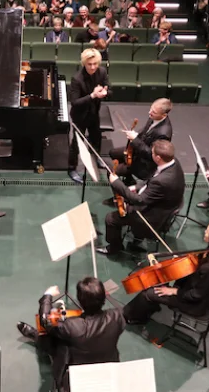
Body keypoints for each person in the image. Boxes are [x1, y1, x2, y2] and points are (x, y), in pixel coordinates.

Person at [15, 277, 126, 392]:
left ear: (80, 301)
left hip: (74, 379)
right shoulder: (117, 316)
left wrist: (47, 296)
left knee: (53, 339)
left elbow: (45, 321)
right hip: (108, 369)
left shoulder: (72, 326)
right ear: (103, 298)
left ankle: (37, 337)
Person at [122, 222, 209, 325]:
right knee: (158, 281)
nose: (204, 232)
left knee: (148, 293)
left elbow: (196, 295)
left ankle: (132, 317)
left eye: (207, 232)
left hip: (194, 304)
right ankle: (151, 307)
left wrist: (174, 291)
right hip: (193, 288)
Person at [98, 140, 185, 256]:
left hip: (151, 217)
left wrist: (116, 183)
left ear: (158, 158)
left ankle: (114, 248)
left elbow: (139, 200)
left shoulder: (162, 181)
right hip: (163, 203)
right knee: (125, 197)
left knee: (111, 219)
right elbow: (153, 181)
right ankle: (136, 238)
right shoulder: (173, 162)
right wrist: (137, 187)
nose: (150, 154)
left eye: (152, 153)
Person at [68, 49, 110, 184]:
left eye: (95, 64)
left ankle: (96, 158)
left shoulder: (102, 72)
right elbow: (75, 102)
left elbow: (109, 88)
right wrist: (93, 95)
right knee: (77, 143)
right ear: (84, 63)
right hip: (80, 115)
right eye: (89, 64)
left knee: (96, 138)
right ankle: (71, 168)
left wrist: (105, 92)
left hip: (94, 112)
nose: (92, 67)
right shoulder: (77, 79)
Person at [109, 98, 173, 181]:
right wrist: (135, 134)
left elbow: (151, 155)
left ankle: (124, 187)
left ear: (163, 115)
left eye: (154, 112)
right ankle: (128, 178)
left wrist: (135, 139)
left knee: (111, 171)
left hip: (143, 164)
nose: (149, 112)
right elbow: (145, 131)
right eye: (151, 109)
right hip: (137, 152)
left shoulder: (164, 134)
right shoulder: (153, 117)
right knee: (112, 152)